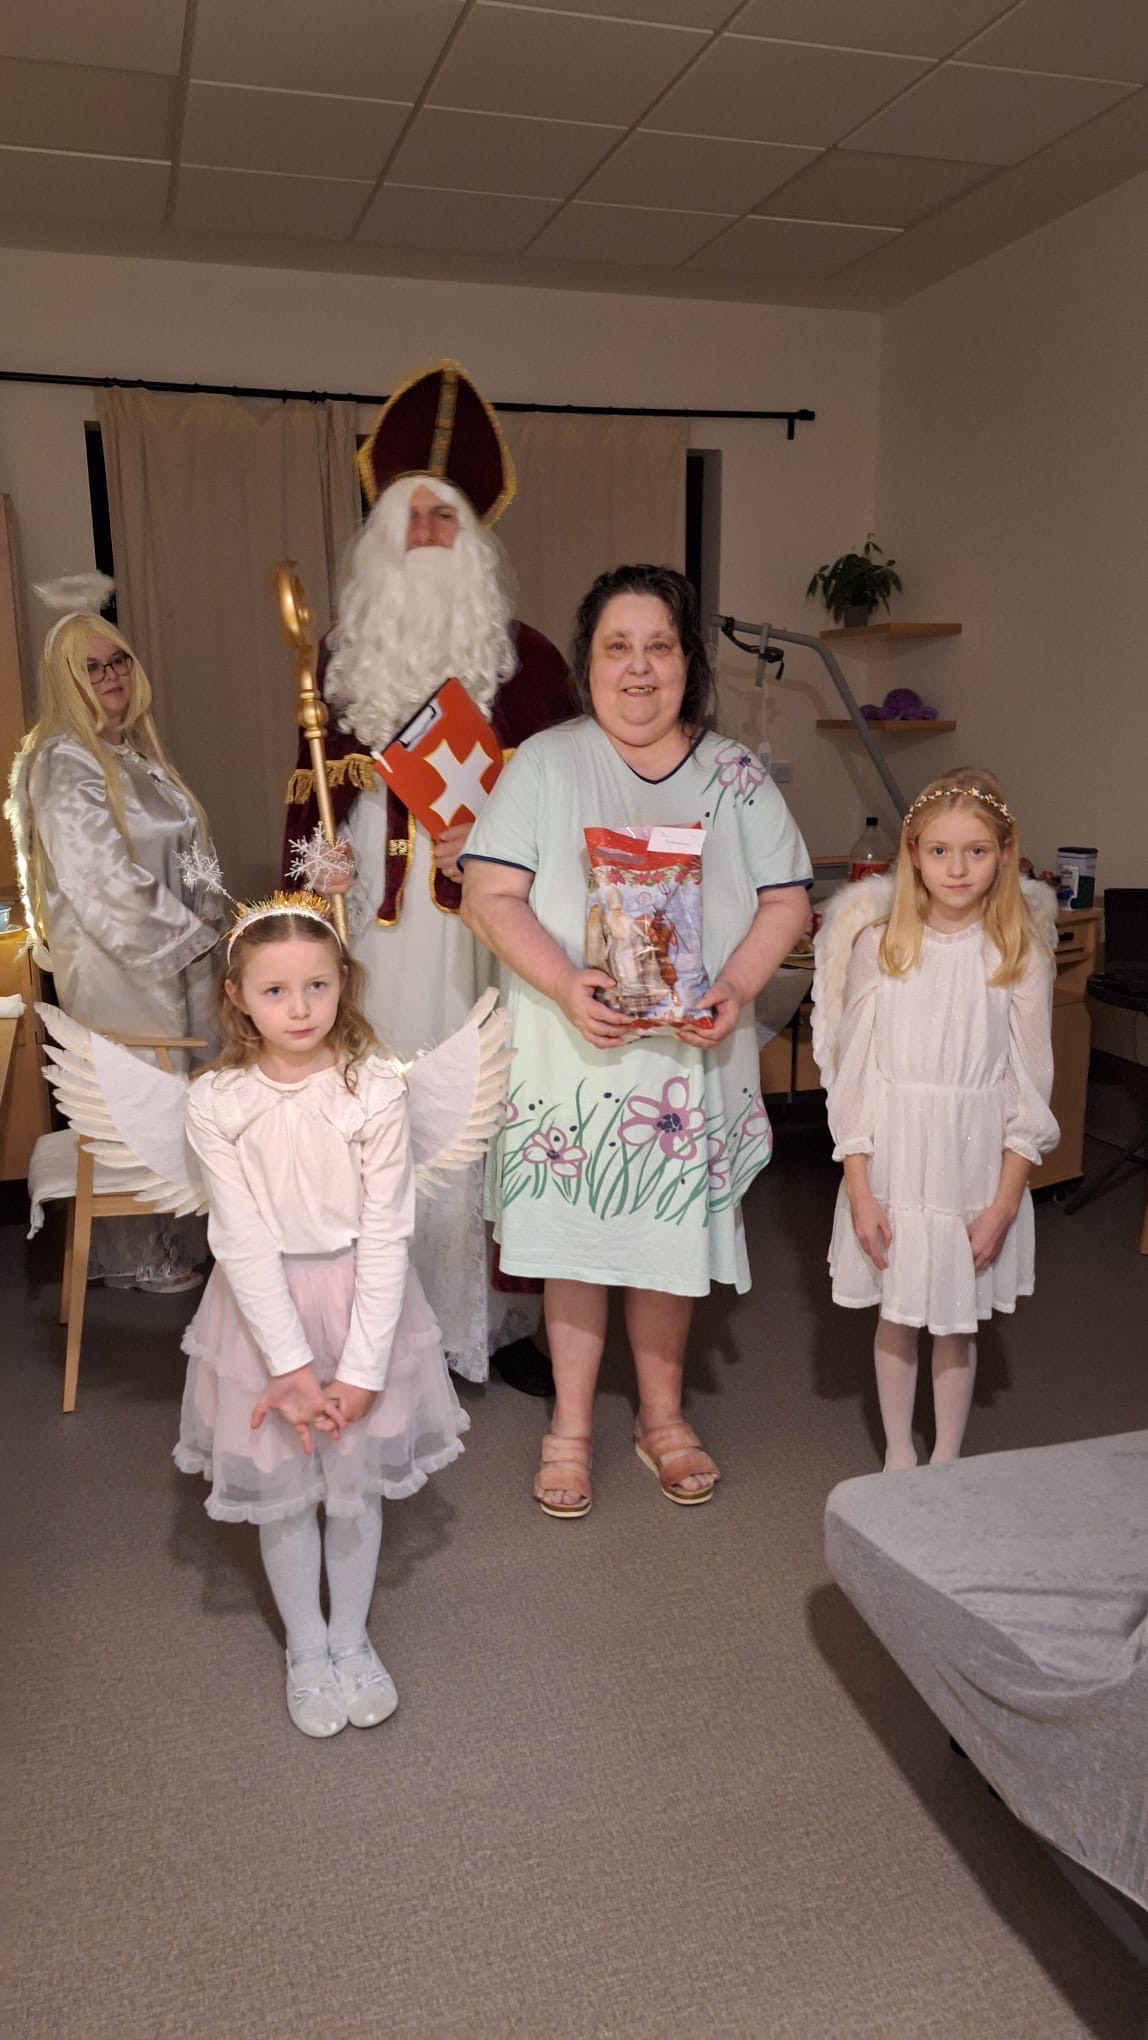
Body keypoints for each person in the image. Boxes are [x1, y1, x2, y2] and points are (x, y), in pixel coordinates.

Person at [460, 564, 812, 1517]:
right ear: (589, 663)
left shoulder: (734, 775)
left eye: (659, 646)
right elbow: (490, 897)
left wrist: (736, 987)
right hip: (573, 1050)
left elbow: (786, 900)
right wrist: (565, 983)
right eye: (618, 647)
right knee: (577, 1241)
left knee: (668, 1239)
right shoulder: (544, 764)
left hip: (687, 1058)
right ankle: (569, 1429)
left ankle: (661, 1419)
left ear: (689, 661)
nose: (640, 667)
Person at [285, 359, 573, 1396]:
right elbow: (310, 797)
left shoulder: (530, 661)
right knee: (390, 1116)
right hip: (377, 923)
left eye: (445, 519)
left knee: (493, 1113)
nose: (428, 535)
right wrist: (315, 875)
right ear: (379, 534)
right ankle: (388, 1325)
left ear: (476, 538)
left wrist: (508, 855)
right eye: (411, 517)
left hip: (492, 927)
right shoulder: (339, 655)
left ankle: (501, 1322)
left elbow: (567, 809)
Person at [175, 895, 468, 1738]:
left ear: (345, 981)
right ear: (237, 997)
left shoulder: (373, 1089)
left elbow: (386, 1233)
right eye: (274, 991)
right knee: (283, 1491)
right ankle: (306, 1650)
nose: (299, 1009)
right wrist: (291, 1368)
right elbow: (240, 1240)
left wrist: (363, 1372)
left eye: (317, 985)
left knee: (352, 1486)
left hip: (362, 1302)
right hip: (262, 1315)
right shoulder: (217, 1100)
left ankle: (351, 1638)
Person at [811, 769, 1059, 1470]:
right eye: (941, 850)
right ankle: (898, 1454)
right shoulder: (880, 947)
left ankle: (947, 1459)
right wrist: (860, 1189)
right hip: (894, 1163)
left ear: (1004, 855)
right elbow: (854, 1078)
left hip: (971, 1169)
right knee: (896, 1315)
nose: (957, 868)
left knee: (955, 1323)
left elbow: (1031, 1089)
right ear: (914, 854)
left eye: (976, 851)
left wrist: (1004, 1203)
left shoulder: (1019, 954)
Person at [6, 598, 219, 1291]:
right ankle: (140, 1252)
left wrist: (215, 917)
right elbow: (99, 877)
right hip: (117, 965)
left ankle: (178, 1234)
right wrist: (186, 936)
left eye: (116, 661)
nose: (110, 677)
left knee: (180, 1094)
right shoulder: (63, 759)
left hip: (178, 956)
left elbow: (193, 853)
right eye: (91, 668)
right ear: (66, 681)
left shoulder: (134, 754)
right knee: (140, 1100)